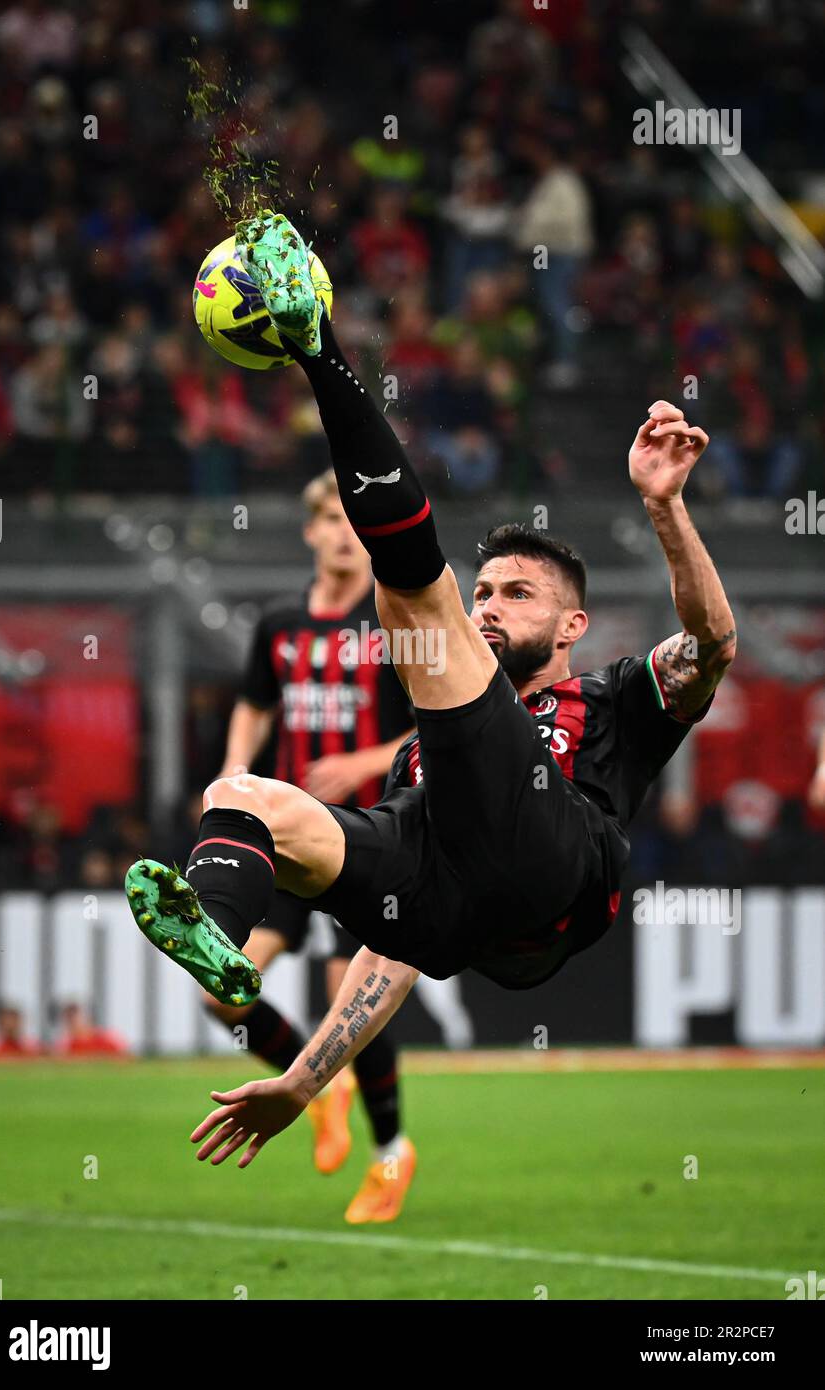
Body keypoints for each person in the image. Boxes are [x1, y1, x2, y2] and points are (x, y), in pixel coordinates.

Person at [124, 211, 736, 1172]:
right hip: (457, 898)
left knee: (407, 586)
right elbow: (393, 950)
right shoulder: (424, 752)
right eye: (485, 590)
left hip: (554, 864)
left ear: (572, 627)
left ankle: (317, 353)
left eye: (517, 594)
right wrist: (301, 1080)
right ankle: (216, 931)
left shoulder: (620, 699)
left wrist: (664, 508)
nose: (491, 606)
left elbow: (712, 641)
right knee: (239, 799)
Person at [207, 468, 425, 1222]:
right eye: (329, 518)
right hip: (291, 838)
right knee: (219, 991)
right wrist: (236, 772)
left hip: (372, 840)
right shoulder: (278, 624)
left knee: (352, 1002)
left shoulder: (394, 618)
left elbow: (439, 720)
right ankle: (316, 1083)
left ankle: (391, 1153)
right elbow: (253, 705)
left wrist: (365, 764)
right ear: (310, 530)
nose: (341, 530)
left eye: (351, 518)